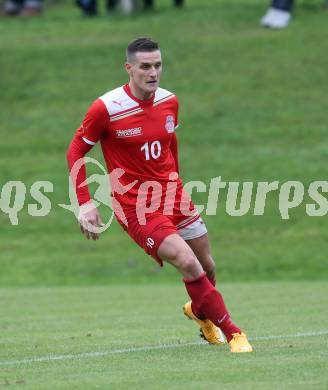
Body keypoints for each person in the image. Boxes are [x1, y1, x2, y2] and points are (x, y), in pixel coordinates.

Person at [66, 37, 253, 353]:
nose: (153, 72)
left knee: (207, 267)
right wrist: (85, 202)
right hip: (134, 206)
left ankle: (199, 312)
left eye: (157, 65)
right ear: (129, 68)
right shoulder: (107, 108)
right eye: (145, 66)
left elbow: (170, 142)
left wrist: (176, 180)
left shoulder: (169, 101)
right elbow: (76, 151)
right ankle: (235, 333)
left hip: (173, 196)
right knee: (187, 261)